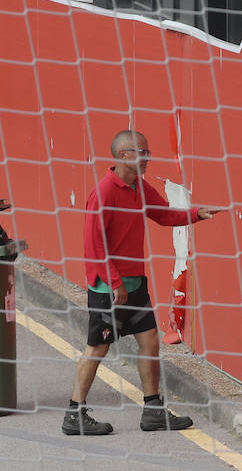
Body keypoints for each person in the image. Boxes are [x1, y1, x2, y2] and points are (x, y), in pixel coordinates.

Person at [62, 129, 225, 436]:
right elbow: (93, 246)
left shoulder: (139, 186)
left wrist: (196, 214)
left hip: (134, 284)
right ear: (124, 156)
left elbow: (162, 215)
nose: (148, 157)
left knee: (149, 341)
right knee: (97, 348)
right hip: (110, 289)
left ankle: (152, 411)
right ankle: (74, 415)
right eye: (142, 152)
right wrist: (115, 283)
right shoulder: (104, 193)